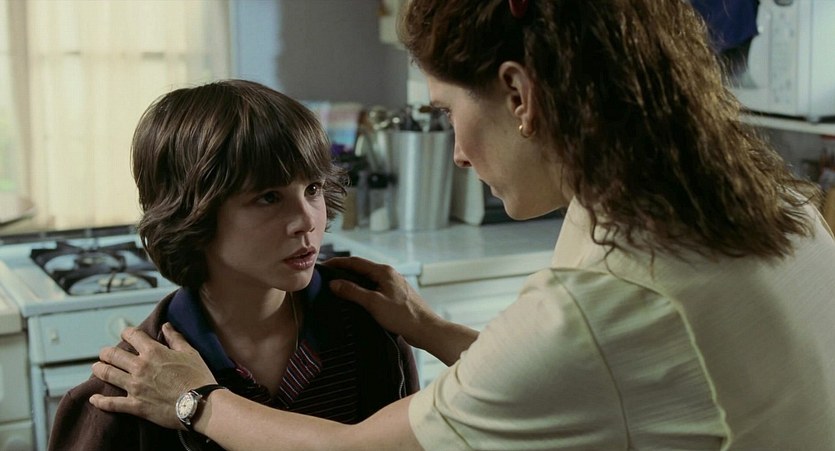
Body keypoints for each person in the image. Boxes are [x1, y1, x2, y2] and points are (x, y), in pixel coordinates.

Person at [89, 0, 835, 449]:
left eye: (447, 111)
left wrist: (196, 402)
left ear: (518, 94)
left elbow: (360, 449)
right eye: (265, 198)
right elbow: (594, 377)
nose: (457, 153)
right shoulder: (778, 203)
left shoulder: (607, 293)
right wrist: (432, 330)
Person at [48, 79, 418, 451]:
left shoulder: (369, 324)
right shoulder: (128, 391)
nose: (307, 221)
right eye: (269, 197)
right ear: (192, 215)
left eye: (313, 189)